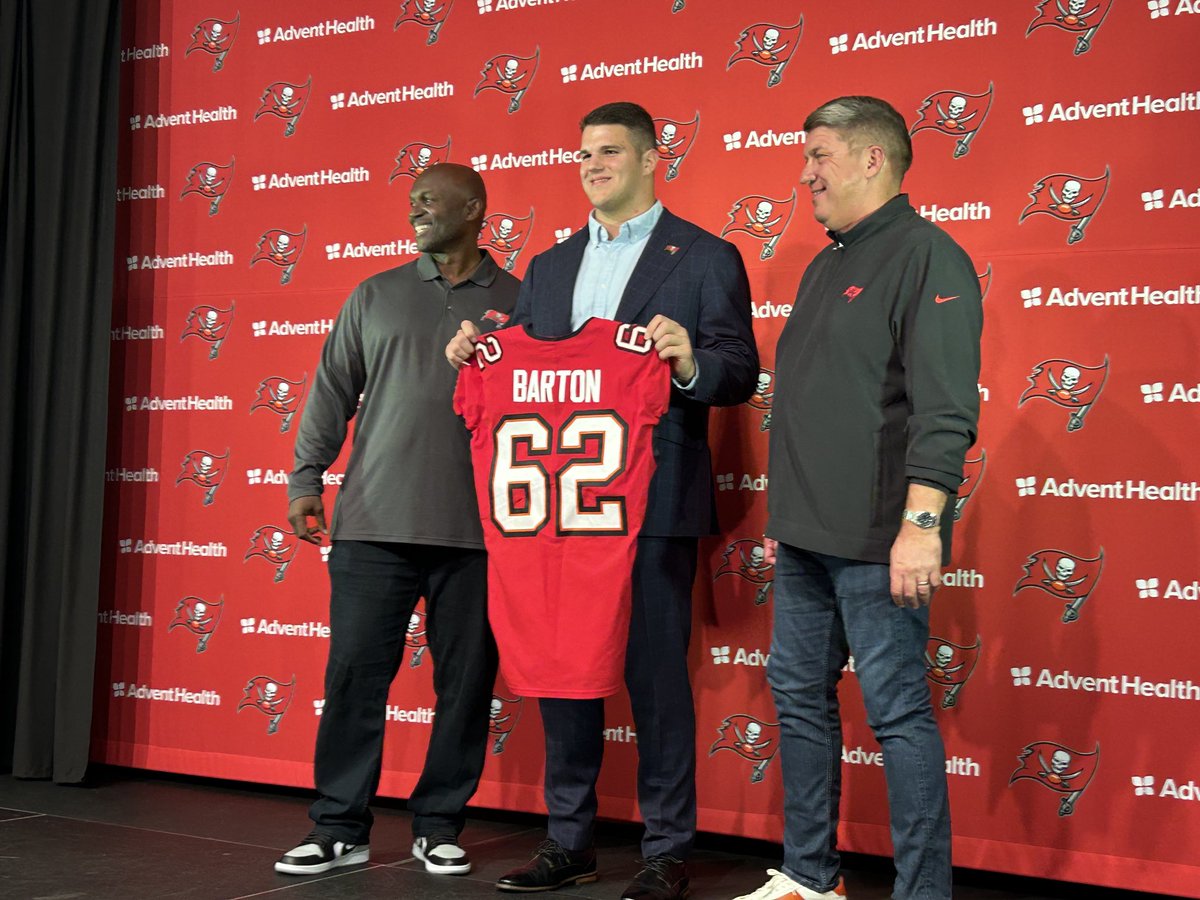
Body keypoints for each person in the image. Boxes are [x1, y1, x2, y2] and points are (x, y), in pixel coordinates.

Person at [447, 101, 758, 900]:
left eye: (611, 151)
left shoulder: (706, 257)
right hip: (561, 508)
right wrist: (474, 354)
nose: (594, 164)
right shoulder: (548, 268)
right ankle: (568, 839)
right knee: (561, 670)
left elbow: (739, 371)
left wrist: (688, 361)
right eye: (584, 152)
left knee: (656, 678)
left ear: (654, 158)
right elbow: (520, 368)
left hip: (654, 500)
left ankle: (666, 848)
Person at [736, 96, 982, 900]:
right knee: (800, 703)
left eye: (820, 156)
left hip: (879, 540)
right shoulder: (825, 262)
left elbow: (945, 410)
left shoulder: (927, 254)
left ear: (872, 159)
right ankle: (810, 879)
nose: (805, 173)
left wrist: (922, 527)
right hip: (805, 536)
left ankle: (923, 894)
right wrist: (785, 523)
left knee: (899, 716)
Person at [275, 164, 519, 878]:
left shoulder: (522, 298)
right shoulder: (374, 294)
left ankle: (440, 823)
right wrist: (304, 478)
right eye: (411, 195)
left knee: (466, 685)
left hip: (478, 532)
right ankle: (338, 824)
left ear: (473, 208)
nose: (415, 204)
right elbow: (330, 391)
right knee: (354, 676)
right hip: (373, 524)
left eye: (430, 195)